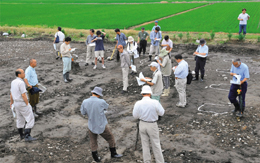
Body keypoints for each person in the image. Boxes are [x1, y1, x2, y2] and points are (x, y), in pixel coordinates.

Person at [80, 87, 123, 162]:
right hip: (101, 125)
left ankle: (96, 158)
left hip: (91, 125)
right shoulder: (101, 102)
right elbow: (106, 108)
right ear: (99, 95)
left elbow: (83, 113)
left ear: (92, 93)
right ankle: (113, 153)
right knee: (110, 138)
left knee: (93, 141)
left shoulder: (85, 101)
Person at [133, 85, 165, 163]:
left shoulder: (138, 103)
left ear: (142, 94)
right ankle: (160, 161)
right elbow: (162, 113)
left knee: (145, 144)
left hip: (142, 124)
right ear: (150, 93)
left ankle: (147, 161)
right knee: (156, 144)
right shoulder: (155, 102)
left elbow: (135, 116)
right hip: (152, 125)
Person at [10, 69, 36, 141]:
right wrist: (27, 104)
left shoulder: (13, 82)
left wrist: (11, 102)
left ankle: (21, 135)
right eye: (23, 73)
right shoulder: (21, 83)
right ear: (19, 74)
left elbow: (11, 93)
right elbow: (23, 95)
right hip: (22, 103)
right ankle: (27, 136)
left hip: (16, 103)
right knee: (30, 118)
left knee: (20, 119)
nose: (24, 74)